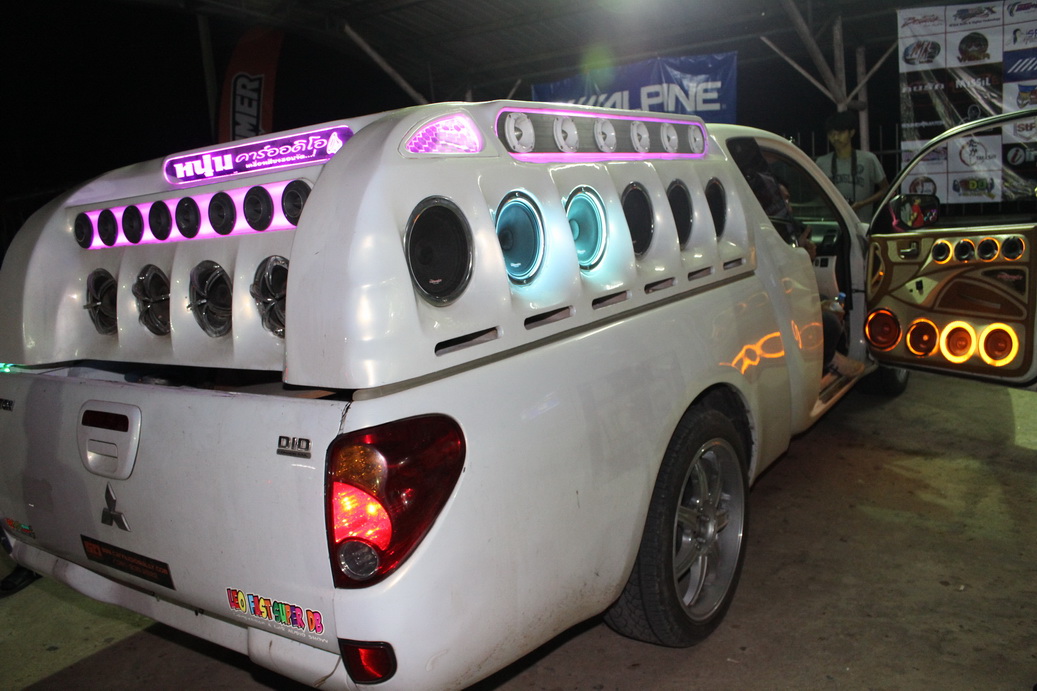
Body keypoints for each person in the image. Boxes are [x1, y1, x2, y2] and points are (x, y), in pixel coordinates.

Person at [816, 111, 889, 221]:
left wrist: (862, 204)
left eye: (840, 133)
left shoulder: (868, 159)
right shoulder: (821, 163)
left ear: (852, 133)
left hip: (861, 224)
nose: (835, 138)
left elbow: (886, 189)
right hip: (832, 224)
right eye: (831, 134)